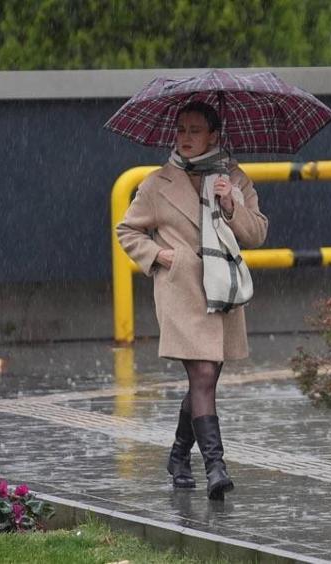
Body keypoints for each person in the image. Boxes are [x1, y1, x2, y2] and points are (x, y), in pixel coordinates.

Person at [117, 101, 268, 499]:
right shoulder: (155, 183)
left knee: (206, 378)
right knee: (201, 375)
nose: (185, 137)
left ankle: (179, 455)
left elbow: (256, 236)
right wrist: (159, 256)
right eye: (181, 129)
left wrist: (231, 203)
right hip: (180, 289)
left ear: (214, 136)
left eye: (195, 130)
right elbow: (127, 231)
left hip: (222, 290)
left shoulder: (234, 178)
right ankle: (215, 466)